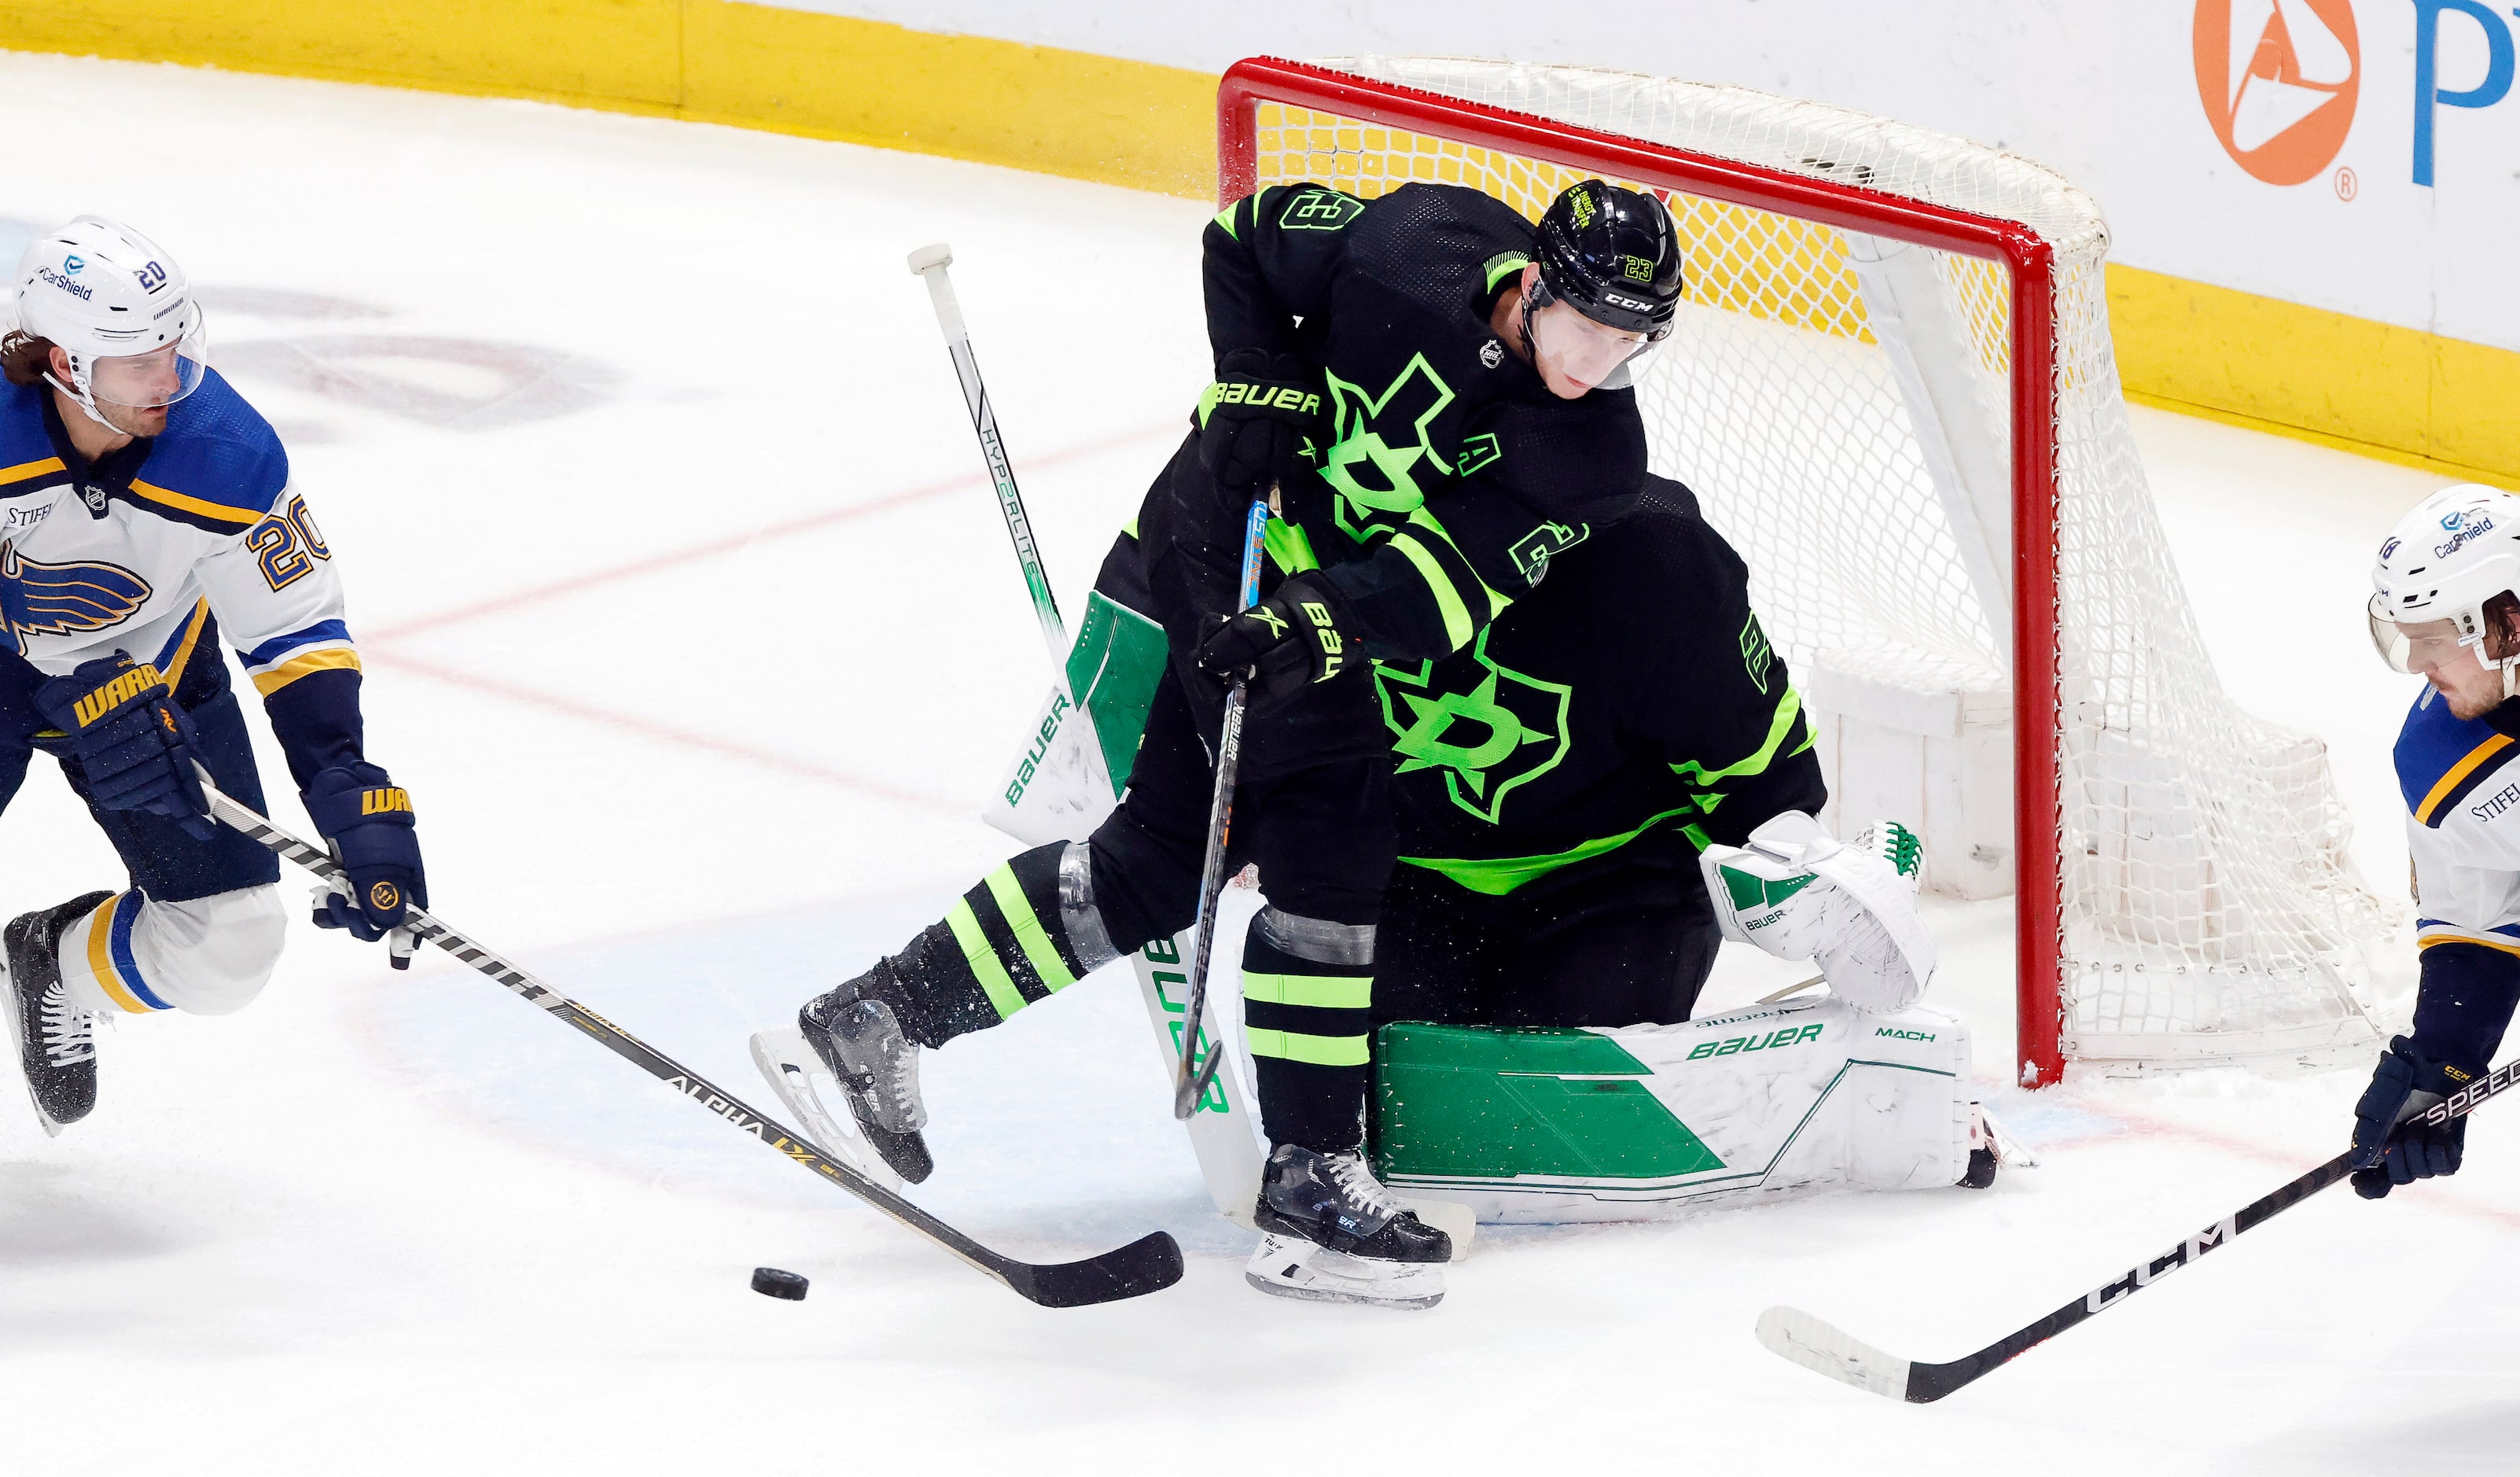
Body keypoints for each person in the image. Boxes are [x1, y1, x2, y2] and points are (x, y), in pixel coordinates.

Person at [789, 177, 1678, 1309]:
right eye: (1587, 326)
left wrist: (1315, 624)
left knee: (1161, 854)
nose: (1598, 360)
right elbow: (1247, 239)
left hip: (1316, 614)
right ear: (1539, 284)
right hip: (1222, 537)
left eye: (1629, 342)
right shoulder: (1416, 241)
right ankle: (1309, 1181)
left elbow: (1446, 588)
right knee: (1336, 842)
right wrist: (1255, 376)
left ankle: (884, 1009)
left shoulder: (1593, 453)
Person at [0, 216, 425, 1135]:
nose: (170, 378)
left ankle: (56, 962)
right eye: (137, 361)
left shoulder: (227, 451)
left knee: (228, 950)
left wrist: (341, 779)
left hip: (157, 676)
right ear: (65, 364)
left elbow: (294, 624)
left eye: (173, 344)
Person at [2356, 482, 2520, 1197]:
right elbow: (2476, 920)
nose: (2419, 665)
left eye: (2433, 640)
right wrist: (2442, 1064)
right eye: (2407, 639)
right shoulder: (2438, 762)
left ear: (2506, 625)